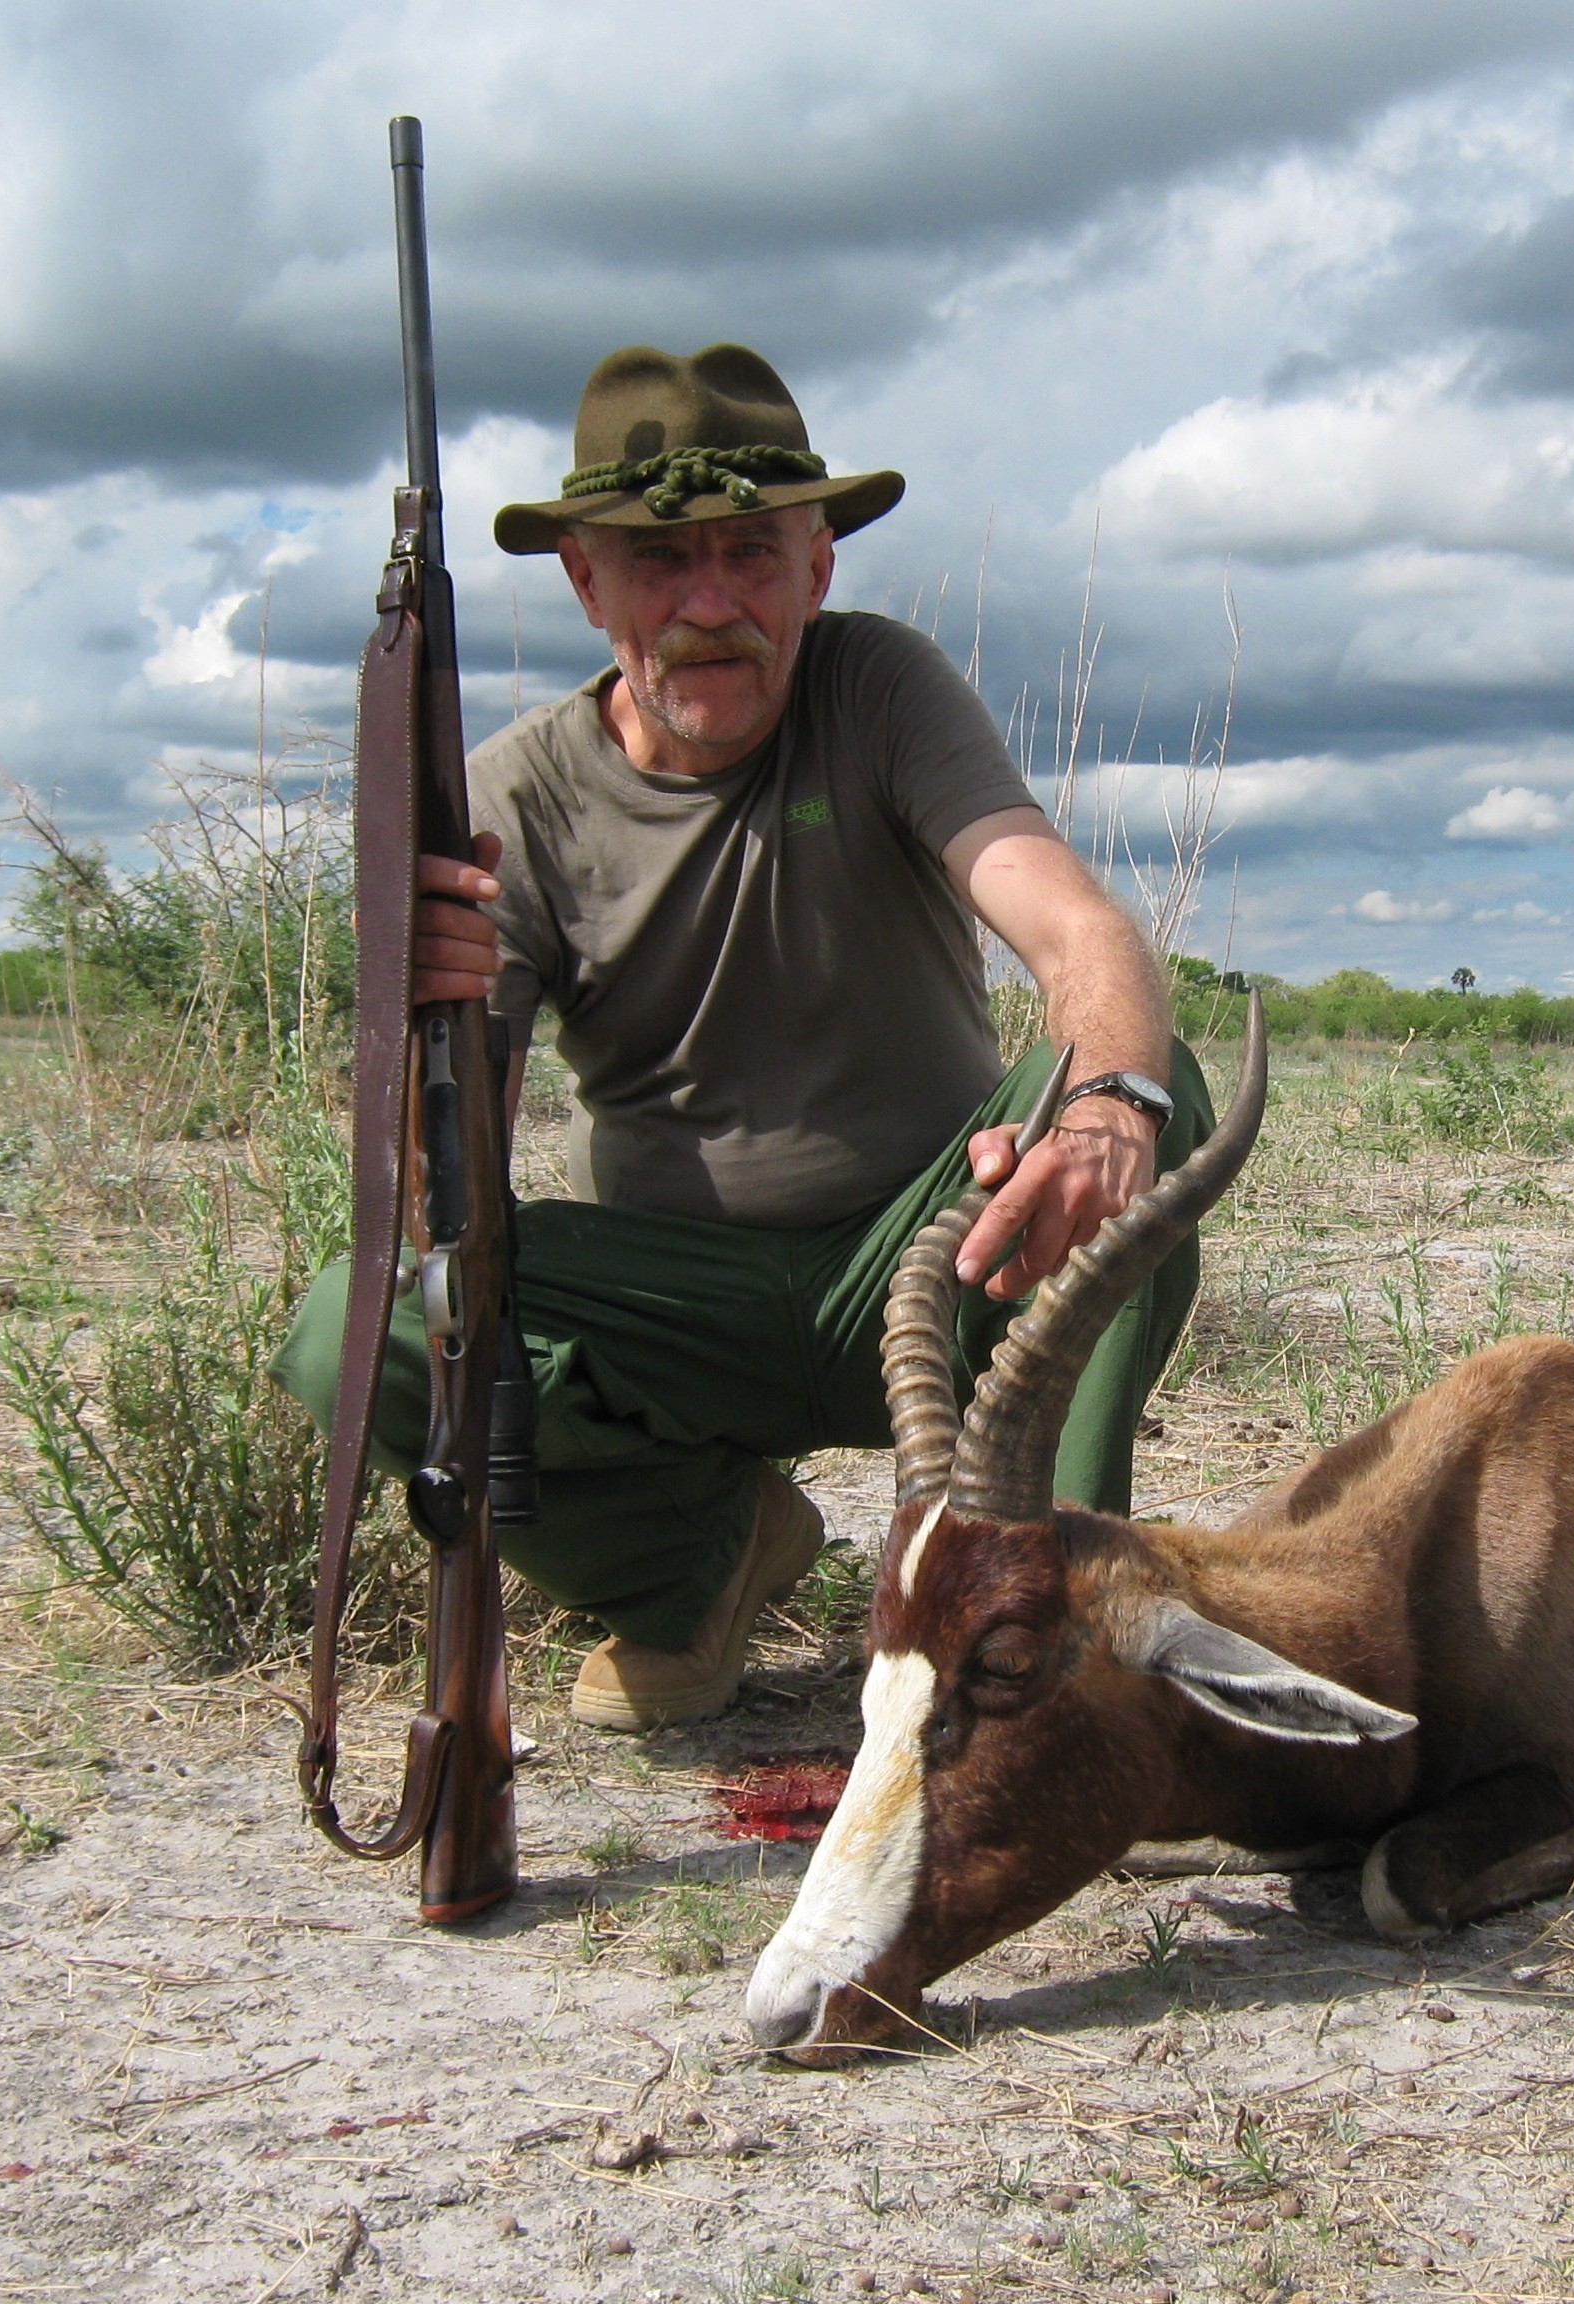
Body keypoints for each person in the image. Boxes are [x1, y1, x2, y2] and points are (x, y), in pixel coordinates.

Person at [272, 342, 1212, 1731]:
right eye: (660, 564)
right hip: (682, 1313)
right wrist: (422, 1017)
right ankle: (698, 1567)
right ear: (589, 583)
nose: (710, 605)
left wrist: (1106, 1105)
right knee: (356, 1324)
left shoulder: (877, 687)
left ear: (817, 566)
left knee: (1146, 1087)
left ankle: (1044, 1633)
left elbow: (1081, 936)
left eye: (751, 554)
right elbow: (429, 1191)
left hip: (936, 1264)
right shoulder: (515, 796)